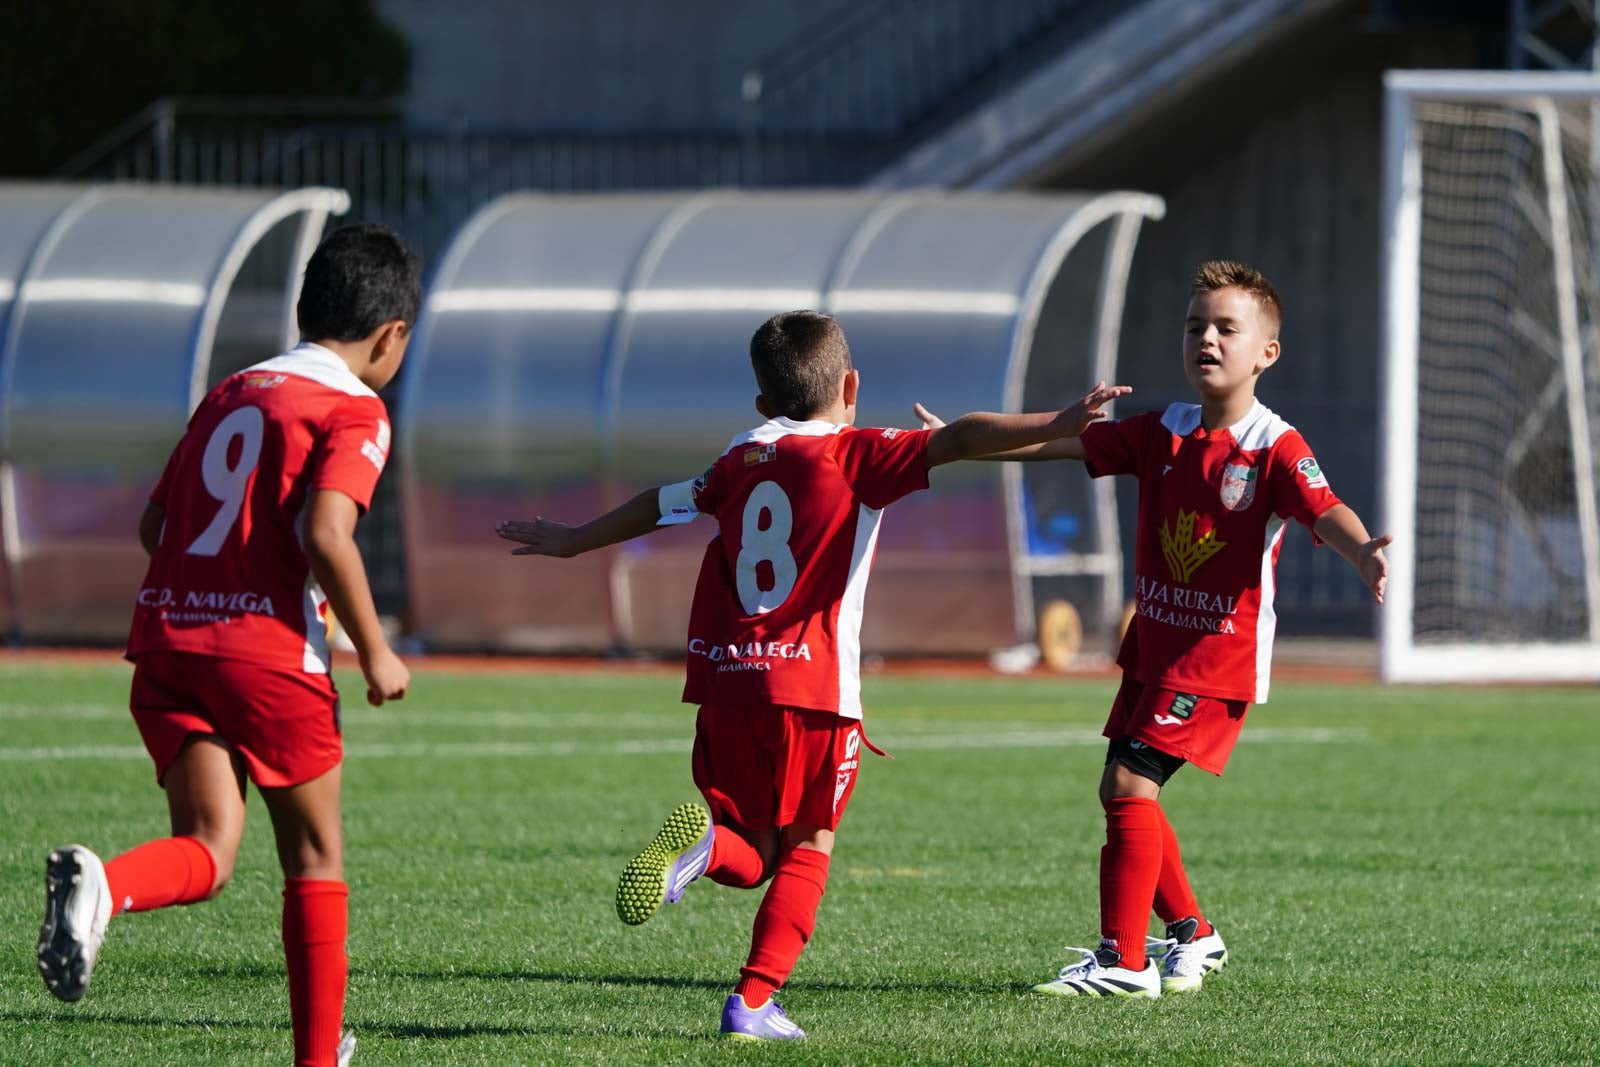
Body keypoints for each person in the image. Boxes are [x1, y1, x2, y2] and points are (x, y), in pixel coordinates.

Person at [497, 310, 1129, 1039]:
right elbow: (958, 438)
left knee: (755, 848)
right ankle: (754, 1000)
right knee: (808, 845)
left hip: (730, 683)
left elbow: (661, 504)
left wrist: (576, 539)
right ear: (851, 385)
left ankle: (704, 846)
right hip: (814, 693)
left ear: (764, 404)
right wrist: (1061, 416)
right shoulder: (854, 453)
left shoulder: (738, 459)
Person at [917, 260, 1392, 998]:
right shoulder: (1163, 430)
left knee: (1129, 782)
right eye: (1195, 325)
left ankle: (1123, 960)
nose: (1206, 338)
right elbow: (1059, 442)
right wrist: (962, 441)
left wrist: (1362, 549)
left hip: (1212, 659)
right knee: (1124, 792)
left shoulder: (1275, 445)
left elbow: (1322, 507)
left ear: (1267, 351)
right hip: (1155, 649)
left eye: (1226, 328)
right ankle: (1194, 935)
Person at [36, 224, 420, 1066]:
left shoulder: (232, 391)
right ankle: (317, 1060)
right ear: (391, 336)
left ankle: (108, 886)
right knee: (314, 855)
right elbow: (327, 531)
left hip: (168, 639)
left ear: (302, 307)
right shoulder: (356, 407)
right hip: (266, 654)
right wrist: (376, 648)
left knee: (209, 848)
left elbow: (155, 524)